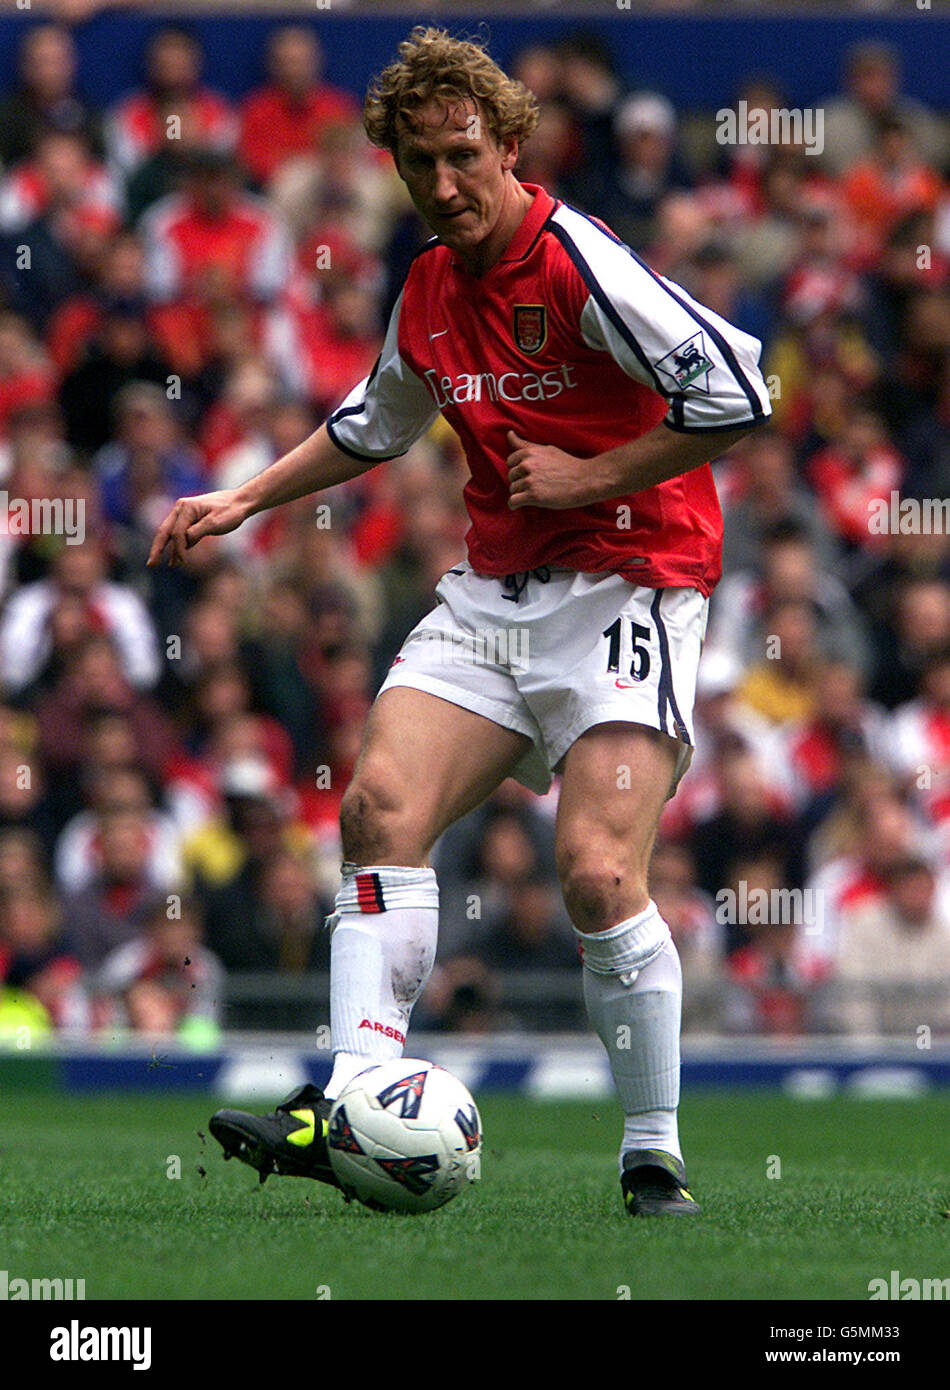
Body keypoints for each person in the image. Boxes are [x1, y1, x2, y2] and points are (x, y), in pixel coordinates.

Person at [149, 27, 771, 1217]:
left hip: (634, 582)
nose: (441, 185)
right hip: (495, 593)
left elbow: (739, 387)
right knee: (378, 808)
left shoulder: (578, 260)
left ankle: (652, 1153)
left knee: (594, 873)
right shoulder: (428, 284)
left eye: (461, 156)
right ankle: (349, 1105)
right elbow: (375, 423)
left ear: (509, 146)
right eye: (416, 163)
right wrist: (240, 497)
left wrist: (590, 479)